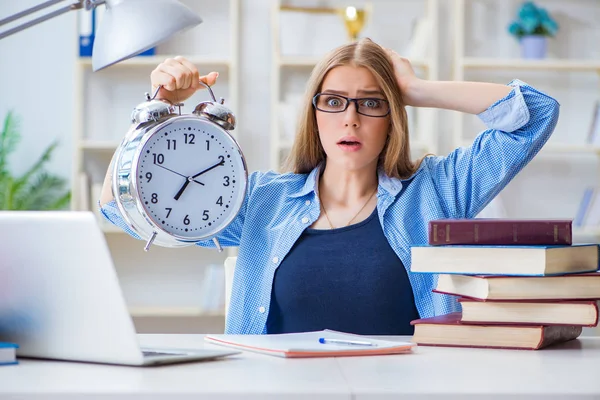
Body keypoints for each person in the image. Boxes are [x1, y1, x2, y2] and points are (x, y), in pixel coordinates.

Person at [99, 38, 560, 335]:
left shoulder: (438, 190)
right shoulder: (262, 200)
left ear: (392, 117)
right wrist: (154, 110)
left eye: (372, 103)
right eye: (334, 102)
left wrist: (416, 90)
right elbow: (120, 210)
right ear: (314, 115)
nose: (351, 118)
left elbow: (535, 114)